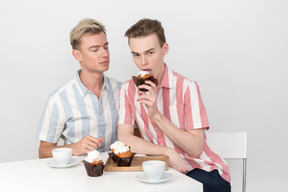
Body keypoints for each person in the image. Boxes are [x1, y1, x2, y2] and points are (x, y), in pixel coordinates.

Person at [118, 18, 231, 192]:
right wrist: (167, 152)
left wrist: (156, 114)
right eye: (136, 55)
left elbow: (195, 149)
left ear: (165, 49)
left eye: (150, 53)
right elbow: (125, 138)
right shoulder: (127, 90)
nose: (143, 62)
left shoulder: (187, 87)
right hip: (162, 171)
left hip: (202, 170)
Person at [36, 18, 121, 158]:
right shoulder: (59, 99)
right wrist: (73, 148)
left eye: (105, 47)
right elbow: (43, 152)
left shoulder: (121, 90)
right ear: (77, 55)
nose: (104, 54)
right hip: (76, 176)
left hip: (115, 174)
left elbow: (135, 137)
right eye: (95, 50)